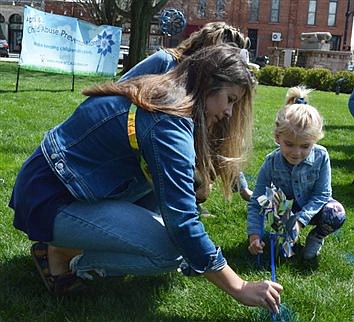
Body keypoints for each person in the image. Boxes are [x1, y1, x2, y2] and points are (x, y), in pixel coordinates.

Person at [9, 44, 282, 313]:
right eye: (230, 99)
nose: (229, 113)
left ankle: (68, 245)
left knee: (171, 227)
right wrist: (240, 286)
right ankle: (65, 254)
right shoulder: (169, 122)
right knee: (170, 250)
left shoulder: (163, 92)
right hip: (49, 200)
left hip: (51, 184)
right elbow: (183, 224)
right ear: (209, 83)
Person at [119, 21, 253, 205]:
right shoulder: (165, 63)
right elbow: (118, 95)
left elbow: (225, 140)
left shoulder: (215, 95)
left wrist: (242, 187)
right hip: (135, 154)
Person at [247, 86, 346, 260]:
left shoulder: (321, 156)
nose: (296, 152)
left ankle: (317, 236)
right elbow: (256, 201)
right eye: (289, 144)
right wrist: (254, 235)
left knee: (336, 212)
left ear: (314, 140)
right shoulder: (271, 162)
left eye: (305, 146)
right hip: (285, 210)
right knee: (270, 201)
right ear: (278, 137)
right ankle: (284, 235)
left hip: (314, 208)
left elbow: (322, 194)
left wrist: (300, 221)